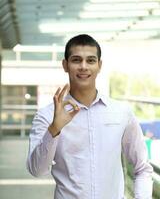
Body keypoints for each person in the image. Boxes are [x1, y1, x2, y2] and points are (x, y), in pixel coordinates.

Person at [27, 34, 153, 199]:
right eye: (76, 60)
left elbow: (142, 167)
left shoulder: (122, 112)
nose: (84, 66)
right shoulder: (47, 116)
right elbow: (37, 170)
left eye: (91, 60)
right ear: (65, 65)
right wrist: (54, 129)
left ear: (99, 65)